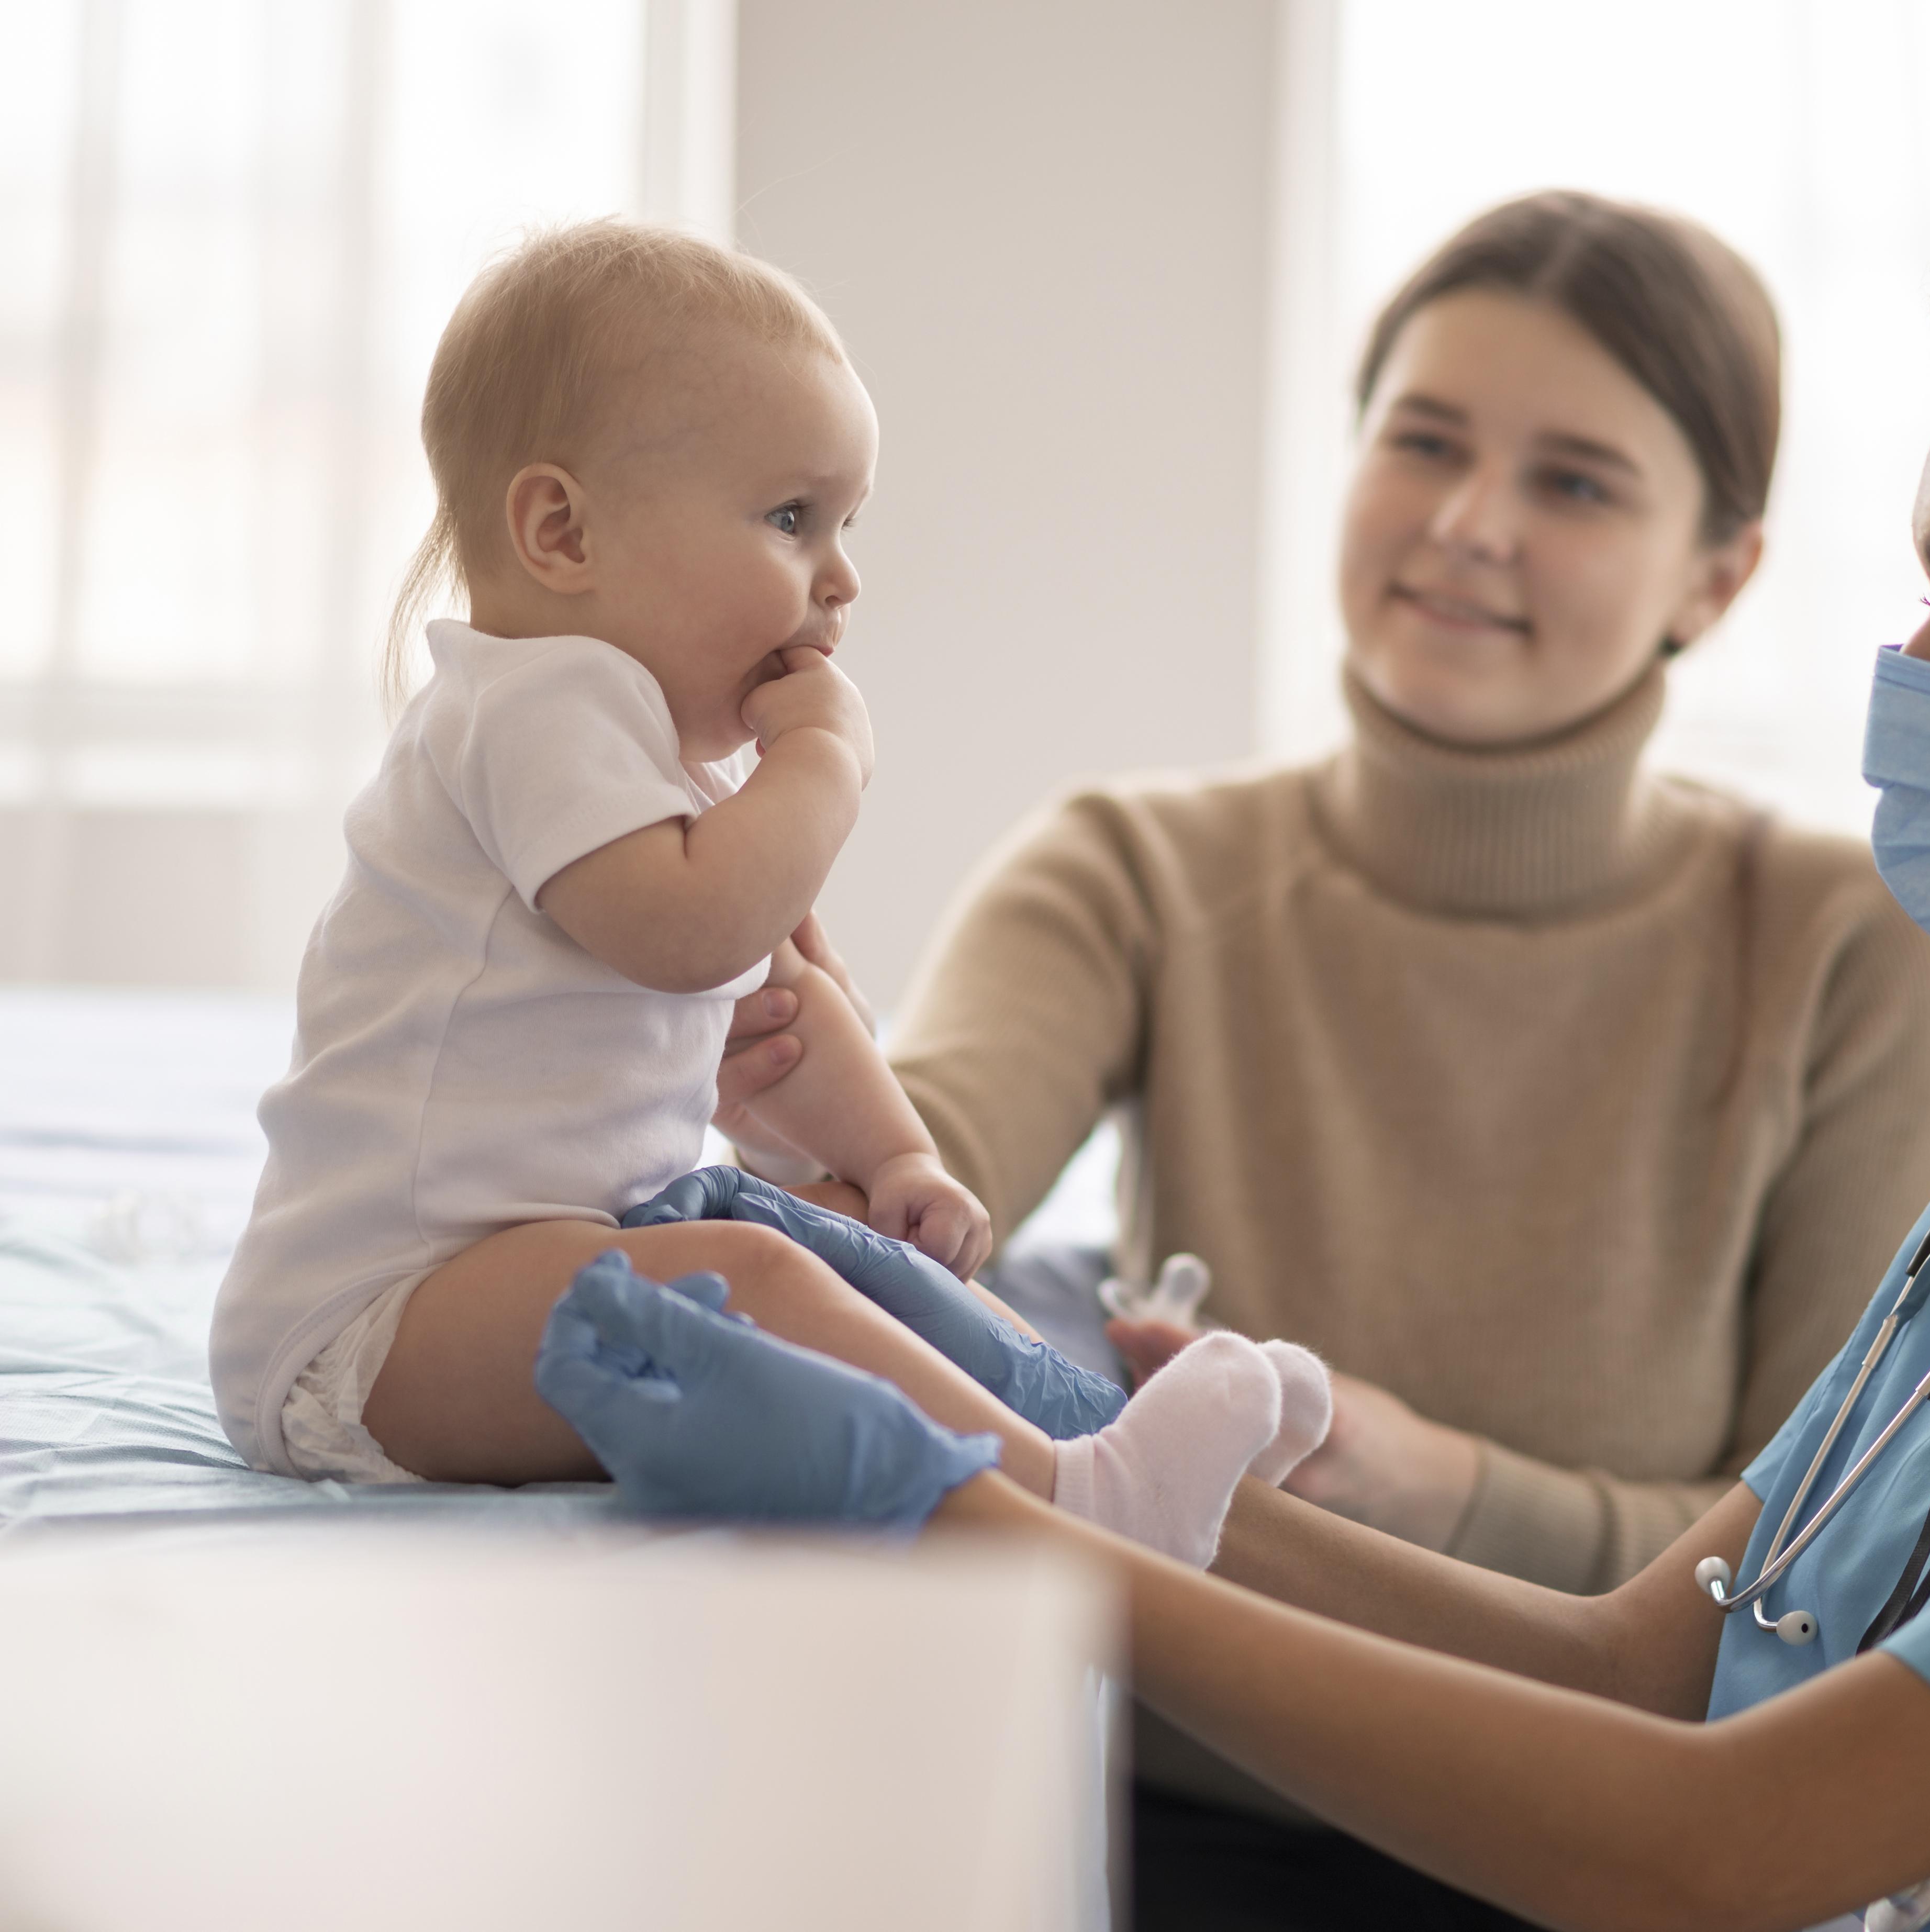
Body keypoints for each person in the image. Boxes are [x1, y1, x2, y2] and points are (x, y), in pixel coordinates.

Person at [550, 171, 1930, 1930]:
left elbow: (1713, 1840)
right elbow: (1664, 1649)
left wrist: (974, 1522)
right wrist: (1037, 1414)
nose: (1912, 669)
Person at [708, 192, 1930, 1909]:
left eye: (1574, 482)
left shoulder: (1847, 946)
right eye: (1425, 442)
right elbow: (905, 1186)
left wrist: (1432, 1480)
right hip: (1165, 1817)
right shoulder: (1137, 866)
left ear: (1720, 573)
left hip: (1597, 1855)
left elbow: (1821, 1572)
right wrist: (796, 1083)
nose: (1467, 525)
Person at [209, 220, 1319, 1574]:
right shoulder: (525, 709)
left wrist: (897, 1154)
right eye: (793, 520)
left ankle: (1107, 1430)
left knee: (833, 1253)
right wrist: (826, 765)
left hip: (548, 1264)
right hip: (375, 1332)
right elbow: (695, 939)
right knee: (762, 1279)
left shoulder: (659, 768)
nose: (841, 577)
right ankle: (1084, 1495)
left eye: (846, 525)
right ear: (561, 530)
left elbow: (777, 999)